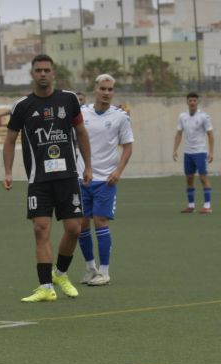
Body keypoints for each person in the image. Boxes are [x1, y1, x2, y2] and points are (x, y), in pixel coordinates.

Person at [2, 54, 92, 302]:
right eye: (38, 70)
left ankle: (60, 274)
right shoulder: (22, 106)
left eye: (47, 70)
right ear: (32, 74)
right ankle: (45, 287)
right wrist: (8, 171)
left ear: (54, 73)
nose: (43, 74)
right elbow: (10, 140)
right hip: (38, 180)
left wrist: (88, 166)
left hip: (68, 177)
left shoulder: (69, 100)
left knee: (75, 228)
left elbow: (81, 133)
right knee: (41, 230)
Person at [76, 74, 134, 287]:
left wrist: (118, 171)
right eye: (103, 89)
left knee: (100, 221)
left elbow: (128, 146)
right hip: (82, 178)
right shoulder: (82, 113)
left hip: (106, 179)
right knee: (81, 224)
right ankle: (90, 268)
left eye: (110, 89)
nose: (107, 93)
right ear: (95, 89)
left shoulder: (120, 117)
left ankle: (104, 271)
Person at [173, 92, 214, 214]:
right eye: (190, 100)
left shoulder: (204, 117)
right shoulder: (182, 116)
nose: (192, 103)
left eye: (194, 101)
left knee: (203, 177)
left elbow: (210, 135)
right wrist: (175, 149)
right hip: (188, 153)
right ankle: (191, 206)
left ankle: (207, 206)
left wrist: (211, 152)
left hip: (200, 152)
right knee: (189, 178)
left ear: (197, 102)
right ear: (187, 102)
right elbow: (179, 133)